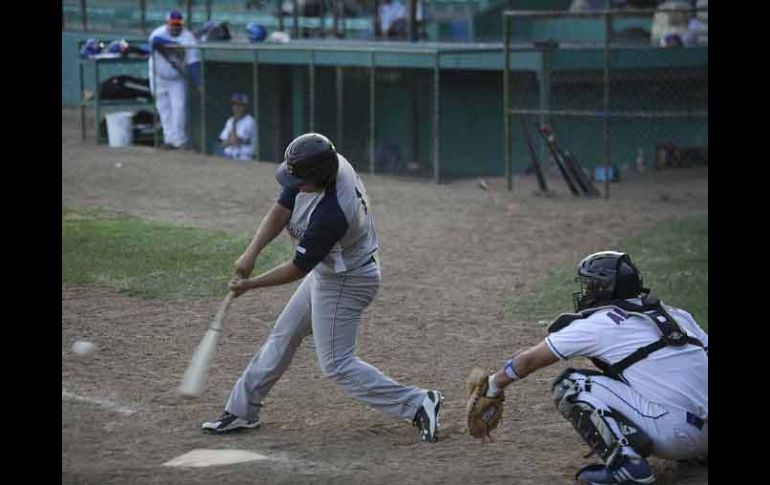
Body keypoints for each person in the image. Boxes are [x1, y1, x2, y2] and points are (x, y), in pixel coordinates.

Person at [202, 133, 444, 443]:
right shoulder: (316, 168)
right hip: (331, 272)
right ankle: (241, 410)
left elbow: (298, 268)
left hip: (347, 280)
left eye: (300, 180)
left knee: (336, 364)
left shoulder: (333, 212)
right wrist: (250, 254)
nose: (293, 184)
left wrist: (251, 284)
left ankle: (419, 403)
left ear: (318, 177)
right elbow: (280, 210)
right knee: (284, 334)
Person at [473, 251, 707, 484]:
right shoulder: (676, 314)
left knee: (571, 385)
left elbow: (529, 361)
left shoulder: (600, 323)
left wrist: (494, 385)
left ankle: (627, 467)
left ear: (602, 288)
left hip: (678, 436)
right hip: (698, 433)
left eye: (589, 285)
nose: (585, 291)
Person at [148, 10, 201, 150]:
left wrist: (198, 83)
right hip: (157, 76)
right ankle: (169, 140)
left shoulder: (188, 38)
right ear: (167, 24)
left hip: (176, 79)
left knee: (179, 108)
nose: (176, 27)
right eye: (173, 24)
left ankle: (180, 141)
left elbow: (193, 62)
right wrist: (175, 46)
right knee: (163, 109)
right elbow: (155, 42)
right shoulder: (158, 33)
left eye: (178, 24)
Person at [217, 93, 257, 161]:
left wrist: (234, 125)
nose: (237, 107)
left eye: (240, 105)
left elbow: (236, 141)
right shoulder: (230, 121)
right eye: (235, 104)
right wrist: (230, 141)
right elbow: (222, 143)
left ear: (245, 107)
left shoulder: (250, 121)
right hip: (229, 157)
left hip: (245, 158)